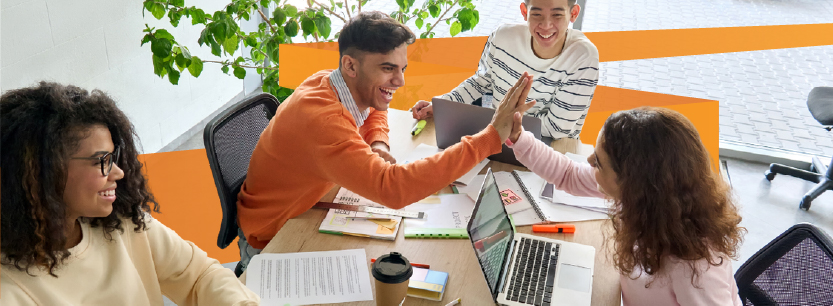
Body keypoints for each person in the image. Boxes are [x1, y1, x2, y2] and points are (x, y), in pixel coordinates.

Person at [236, 11, 537, 273]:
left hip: (306, 207)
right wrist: (489, 138)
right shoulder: (323, 120)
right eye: (387, 68)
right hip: (272, 238)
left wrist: (378, 144)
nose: (400, 81)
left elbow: (372, 109)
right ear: (351, 66)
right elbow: (393, 189)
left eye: (402, 68)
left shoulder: (331, 81)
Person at [0, 82, 260, 305]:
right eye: (101, 161)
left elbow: (199, 274)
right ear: (43, 174)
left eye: (114, 157)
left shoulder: (122, 222)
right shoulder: (11, 291)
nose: (118, 173)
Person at [506, 107, 745, 305]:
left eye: (598, 162)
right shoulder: (647, 202)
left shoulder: (694, 267)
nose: (589, 162)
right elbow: (569, 173)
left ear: (633, 182)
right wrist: (519, 138)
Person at [411, 0, 599, 140]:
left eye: (557, 15)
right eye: (537, 14)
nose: (546, 25)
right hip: (496, 138)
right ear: (524, 12)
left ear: (573, 14)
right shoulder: (502, 37)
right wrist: (444, 104)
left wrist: (499, 124)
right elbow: (481, 82)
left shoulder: (583, 56)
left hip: (548, 149)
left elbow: (557, 129)